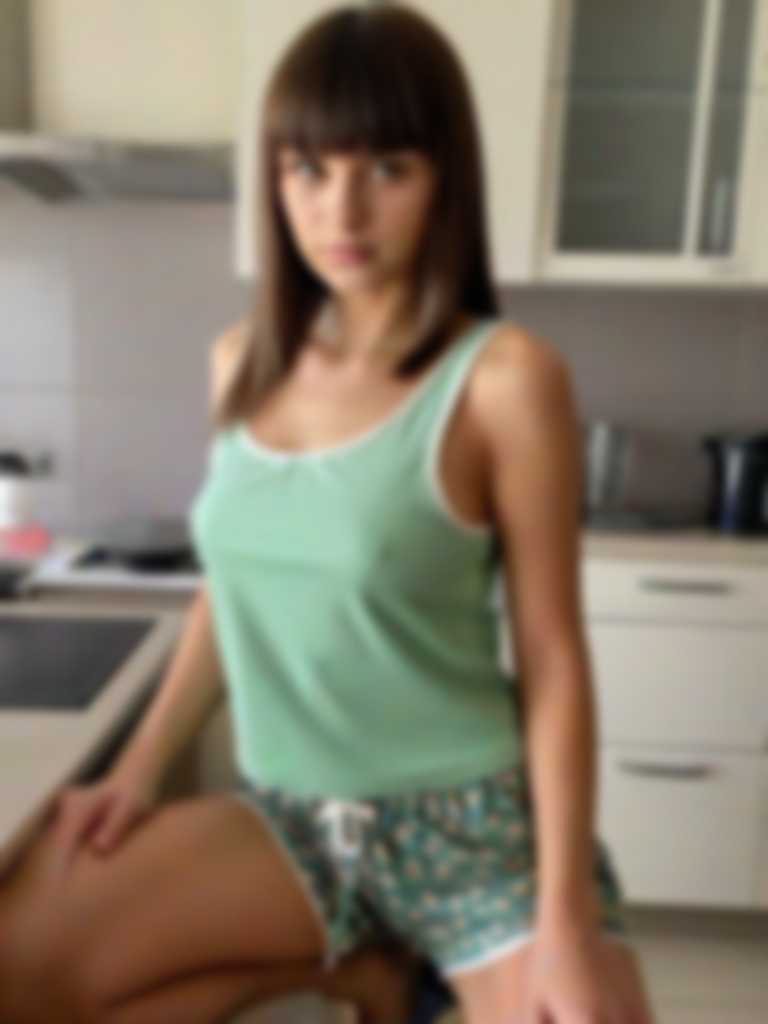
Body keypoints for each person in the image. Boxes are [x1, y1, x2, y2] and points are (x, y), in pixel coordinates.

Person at [0, 4, 657, 1023]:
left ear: (445, 178)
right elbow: (232, 595)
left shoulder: (506, 379)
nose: (341, 210)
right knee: (18, 964)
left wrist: (565, 918)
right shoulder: (239, 363)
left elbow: (554, 657)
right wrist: (136, 771)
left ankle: (404, 959)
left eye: (387, 168)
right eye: (308, 168)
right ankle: (348, 970)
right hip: (289, 823)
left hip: (469, 829)